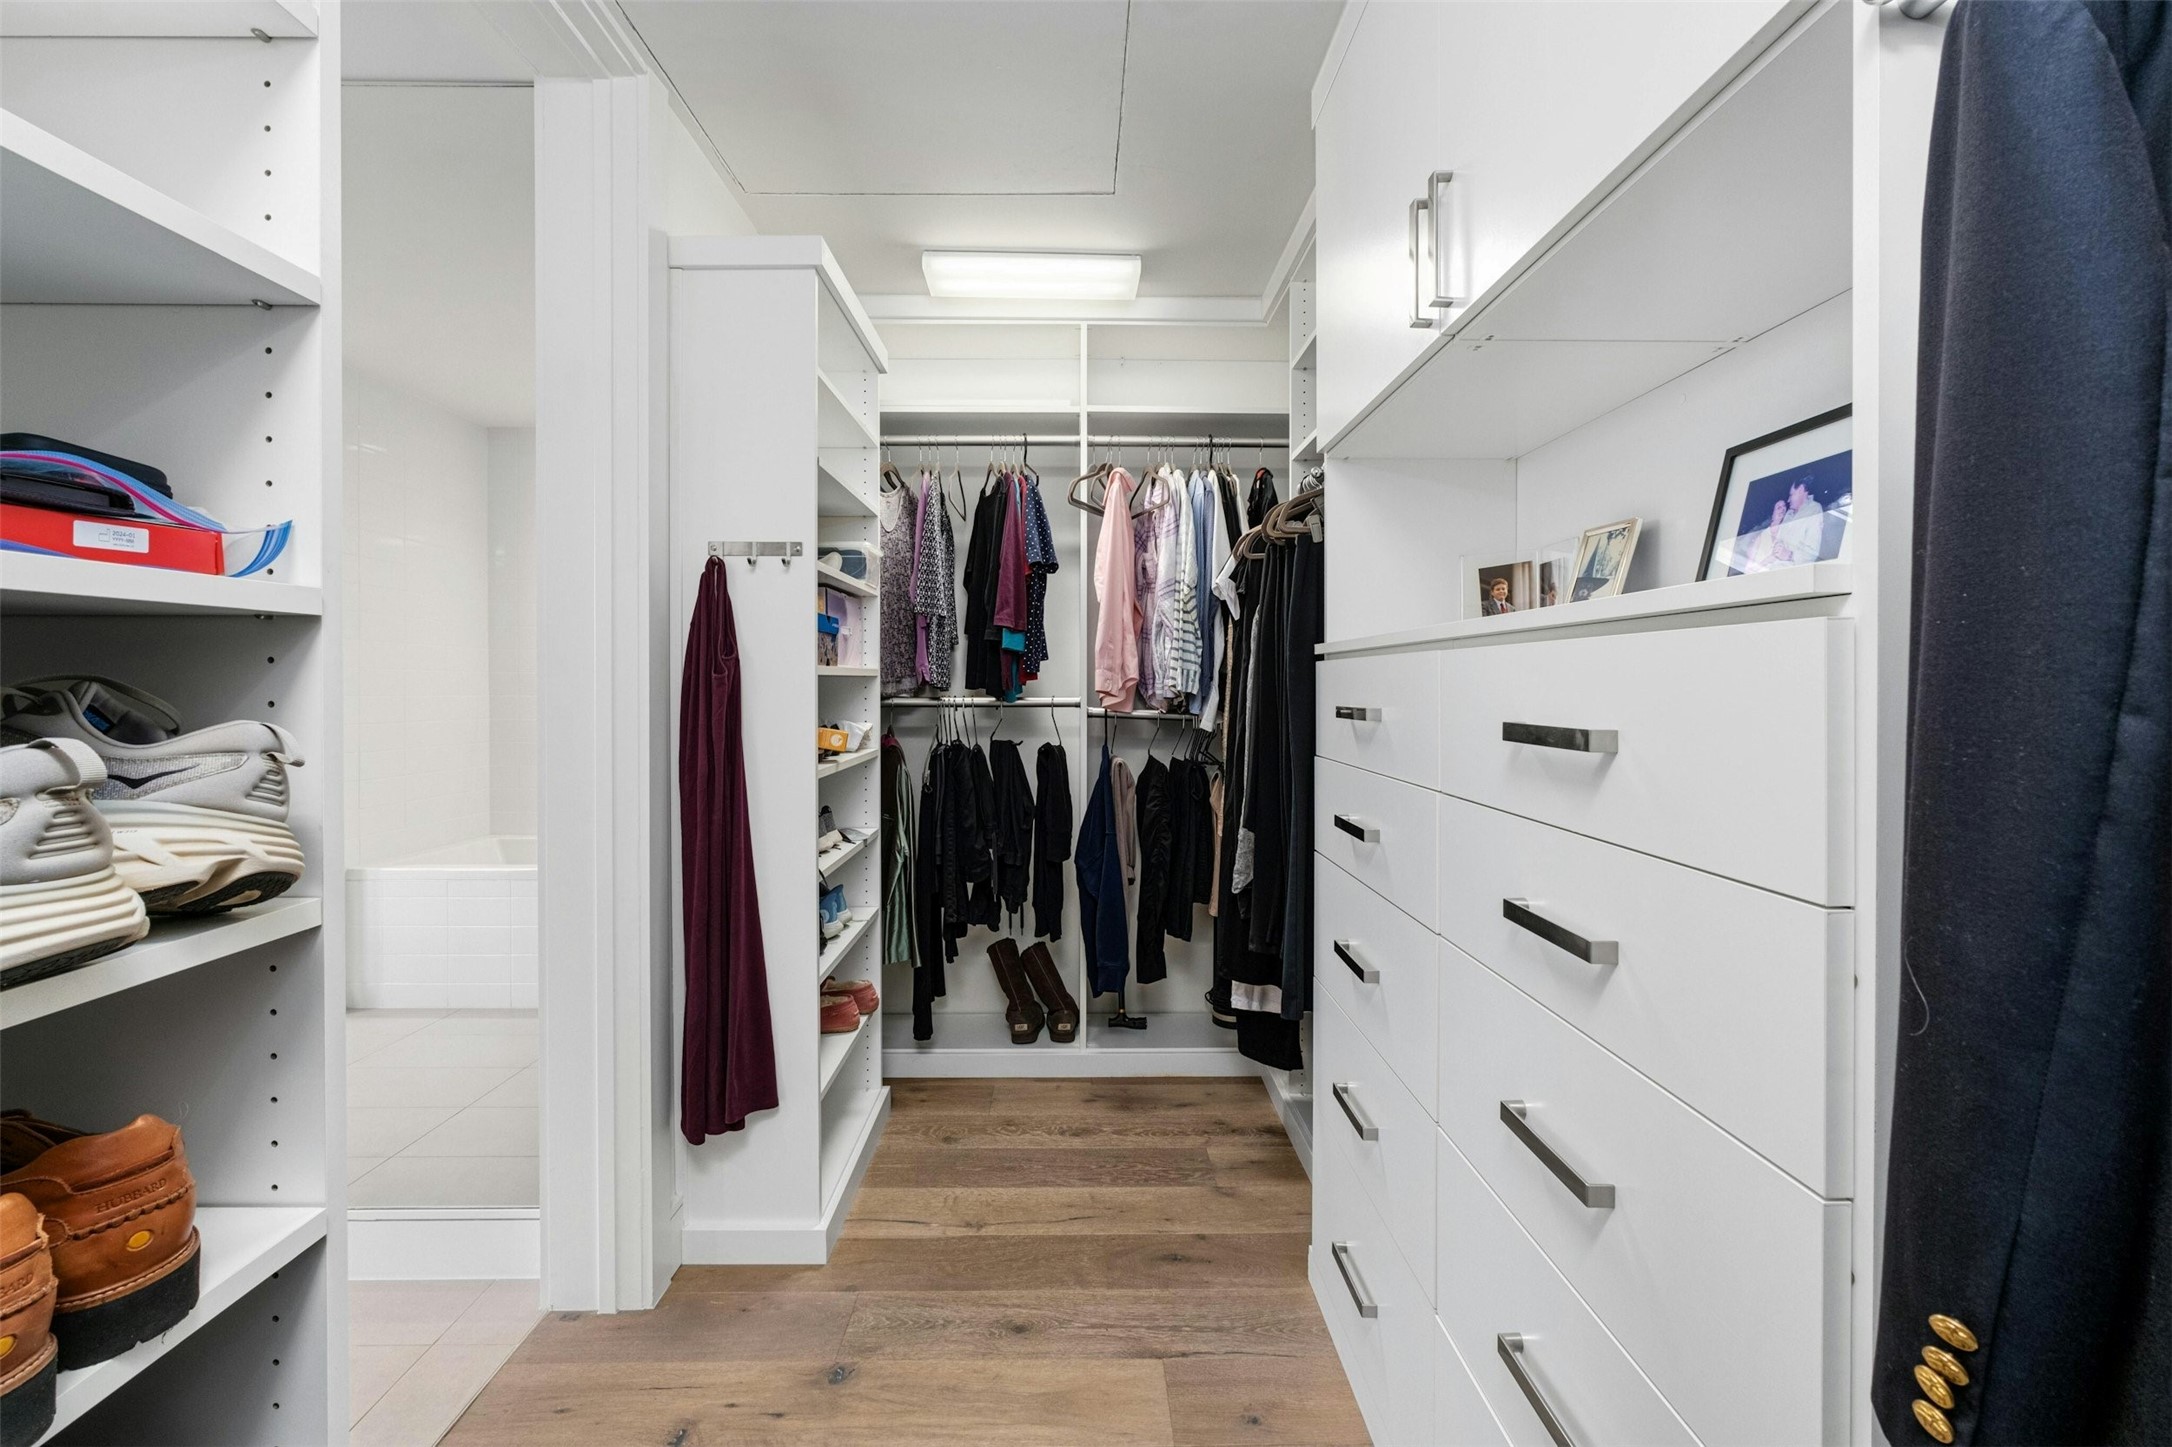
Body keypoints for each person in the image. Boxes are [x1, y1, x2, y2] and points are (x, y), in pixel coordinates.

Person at [1776, 477, 1826, 564]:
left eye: (1791, 495)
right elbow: (1779, 539)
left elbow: (1813, 553)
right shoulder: (1789, 513)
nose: (1788, 500)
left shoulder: (1814, 509)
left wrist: (1790, 555)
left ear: (1801, 489)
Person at [1739, 496, 1788, 574]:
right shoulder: (1760, 535)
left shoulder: (1787, 531)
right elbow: (1748, 568)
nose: (1782, 509)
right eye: (1779, 508)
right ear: (1772, 514)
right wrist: (1766, 561)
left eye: (1784, 506)